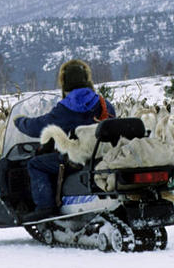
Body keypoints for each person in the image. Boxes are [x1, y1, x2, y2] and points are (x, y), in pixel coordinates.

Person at [13, 59, 115, 222]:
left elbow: (40, 127)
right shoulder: (104, 104)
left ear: (65, 82)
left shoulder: (67, 107)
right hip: (102, 156)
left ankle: (45, 207)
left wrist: (20, 122)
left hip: (78, 159)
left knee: (36, 164)